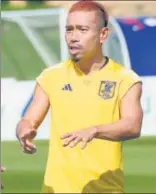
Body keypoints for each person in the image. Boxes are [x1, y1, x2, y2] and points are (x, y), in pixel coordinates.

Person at [16, 1, 143, 193]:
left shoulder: (125, 79)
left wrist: (94, 130)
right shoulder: (51, 76)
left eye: (82, 30)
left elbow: (132, 126)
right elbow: (28, 120)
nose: (73, 37)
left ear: (103, 35)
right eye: (69, 30)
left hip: (105, 190)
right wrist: (24, 132)